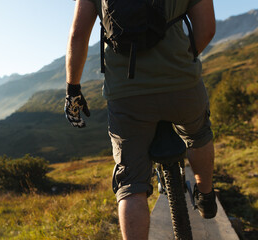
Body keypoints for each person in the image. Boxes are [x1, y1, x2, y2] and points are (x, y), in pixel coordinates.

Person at [64, 0, 217, 239]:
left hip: (127, 94)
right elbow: (207, 29)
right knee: (198, 134)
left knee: (131, 182)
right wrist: (182, 61)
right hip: (182, 84)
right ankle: (206, 196)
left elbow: (78, 35)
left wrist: (72, 89)